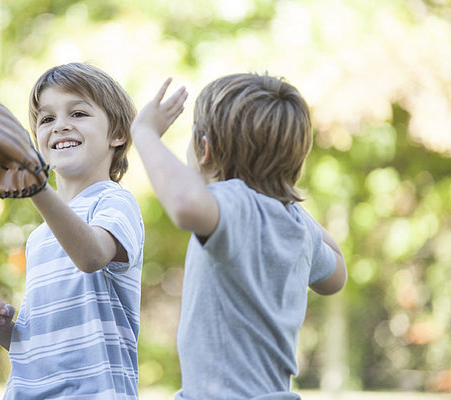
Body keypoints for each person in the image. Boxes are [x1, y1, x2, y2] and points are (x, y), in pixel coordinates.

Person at [131, 73, 347, 399]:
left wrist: (145, 133)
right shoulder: (296, 225)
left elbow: (185, 204)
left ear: (204, 150)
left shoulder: (235, 203)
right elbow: (336, 275)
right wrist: (282, 193)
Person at [0, 63, 145, 400]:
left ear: (117, 134)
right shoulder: (39, 237)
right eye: (46, 120)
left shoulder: (115, 202)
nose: (61, 126)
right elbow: (44, 338)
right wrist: (4, 331)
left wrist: (35, 188)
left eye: (78, 113)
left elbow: (92, 255)